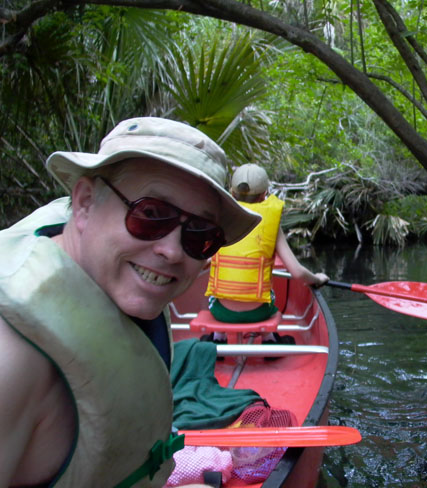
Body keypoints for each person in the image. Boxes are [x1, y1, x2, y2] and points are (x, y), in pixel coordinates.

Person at [0, 117, 262, 487]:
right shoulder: (13, 359)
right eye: (150, 214)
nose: (172, 251)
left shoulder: (109, 272)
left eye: (200, 234)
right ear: (85, 202)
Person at [204, 163, 328, 345]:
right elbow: (298, 273)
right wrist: (317, 279)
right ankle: (269, 338)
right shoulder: (271, 225)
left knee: (214, 289)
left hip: (221, 311)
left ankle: (218, 337)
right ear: (265, 194)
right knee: (268, 291)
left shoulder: (220, 222)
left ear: (230, 193)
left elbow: (202, 261)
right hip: (258, 312)